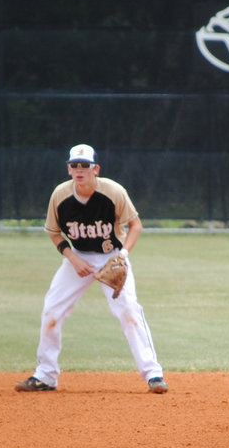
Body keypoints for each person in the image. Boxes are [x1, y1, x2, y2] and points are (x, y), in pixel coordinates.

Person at [15, 143, 168, 394]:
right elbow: (53, 232)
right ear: (68, 169)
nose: (79, 170)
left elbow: (136, 226)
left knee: (129, 310)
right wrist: (72, 258)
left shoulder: (114, 192)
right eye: (74, 165)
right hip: (77, 257)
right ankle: (46, 375)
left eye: (85, 165)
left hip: (112, 257)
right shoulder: (60, 195)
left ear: (95, 169)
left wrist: (123, 255)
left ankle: (153, 374)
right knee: (52, 310)